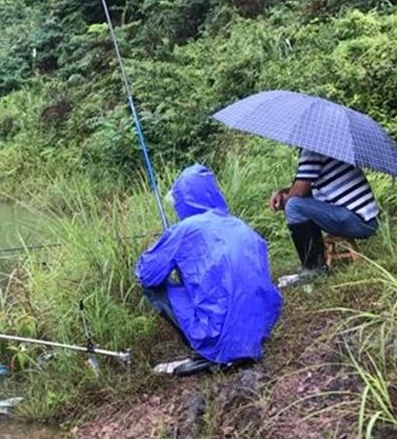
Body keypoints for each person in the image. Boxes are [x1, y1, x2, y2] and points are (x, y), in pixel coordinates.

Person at [135, 164, 282, 376]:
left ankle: (207, 352)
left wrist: (164, 246)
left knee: (153, 288)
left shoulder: (186, 229)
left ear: (183, 200)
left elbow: (147, 274)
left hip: (218, 332)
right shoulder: (240, 225)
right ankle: (236, 341)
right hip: (258, 330)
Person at [270, 149, 379, 284]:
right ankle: (315, 265)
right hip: (366, 219)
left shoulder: (312, 151)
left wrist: (283, 201)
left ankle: (314, 269)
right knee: (296, 203)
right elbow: (306, 187)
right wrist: (284, 192)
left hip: (355, 220)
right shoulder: (329, 147)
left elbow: (299, 191)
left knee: (293, 206)